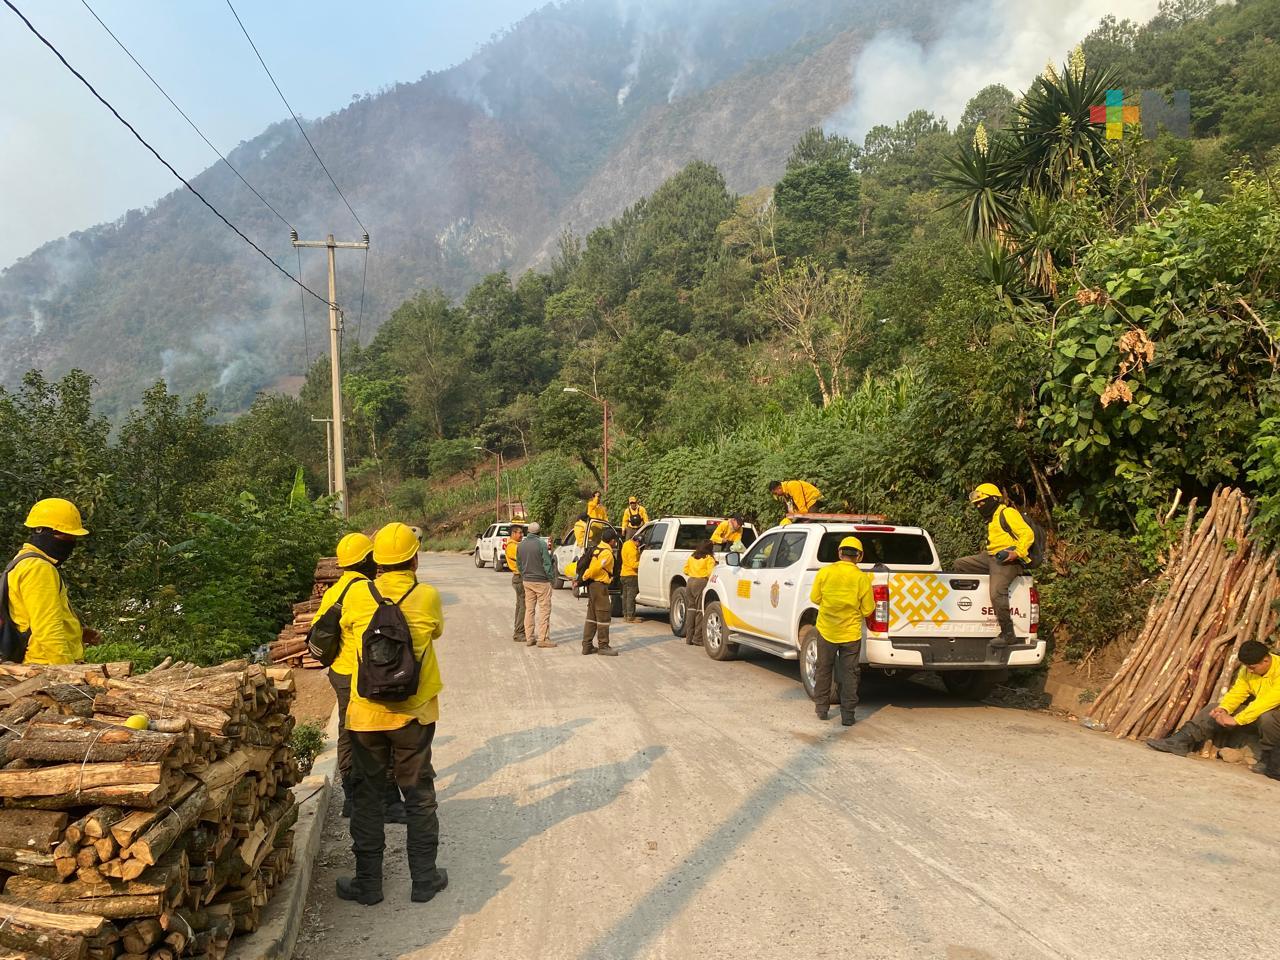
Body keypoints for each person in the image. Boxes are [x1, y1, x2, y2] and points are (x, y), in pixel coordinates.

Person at [337, 522, 449, 906]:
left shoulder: (356, 596)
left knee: (368, 798)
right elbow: (434, 634)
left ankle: (368, 885)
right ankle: (424, 880)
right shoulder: (427, 595)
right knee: (418, 795)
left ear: (378, 562)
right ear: (414, 559)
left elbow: (348, 643)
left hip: (365, 714)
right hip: (413, 714)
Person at [319, 532, 397, 821]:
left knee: (347, 731)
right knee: (384, 730)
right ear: (367, 560)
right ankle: (388, 798)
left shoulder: (333, 592)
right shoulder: (370, 591)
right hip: (368, 673)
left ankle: (351, 799)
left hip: (340, 672)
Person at [1147, 640, 1280, 780]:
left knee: (1268, 717)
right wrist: (1224, 709)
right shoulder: (1248, 670)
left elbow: (1265, 703)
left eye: (1252, 667)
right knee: (1213, 708)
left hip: (1271, 714)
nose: (1249, 671)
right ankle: (1180, 740)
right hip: (1258, 711)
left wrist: (1236, 720)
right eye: (1247, 667)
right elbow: (1238, 692)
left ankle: (1268, 759)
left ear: (1265, 660)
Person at [4, 498, 99, 665]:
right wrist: (68, 671)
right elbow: (47, 630)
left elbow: (32, 620)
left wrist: (78, 633)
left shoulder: (24, 561)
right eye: (67, 536)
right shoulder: (39, 568)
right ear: (44, 532)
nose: (71, 543)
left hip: (43, 664)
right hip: (46, 666)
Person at [952, 483, 1032, 647]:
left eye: (982, 502)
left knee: (996, 593)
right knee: (960, 564)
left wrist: (1016, 553)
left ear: (994, 499)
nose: (980, 506)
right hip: (991, 557)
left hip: (1007, 560)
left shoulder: (1007, 512)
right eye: (977, 504)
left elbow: (1027, 533)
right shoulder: (992, 518)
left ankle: (1008, 633)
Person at [810, 536, 873, 726]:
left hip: (826, 629)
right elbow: (868, 609)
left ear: (839, 553)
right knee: (850, 674)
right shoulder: (862, 578)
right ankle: (848, 715)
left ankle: (822, 708)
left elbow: (815, 598)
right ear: (859, 556)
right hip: (851, 634)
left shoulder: (825, 572)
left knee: (823, 669)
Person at [581, 530, 619, 657]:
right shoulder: (607, 553)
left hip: (592, 586)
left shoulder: (596, 549)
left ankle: (587, 646)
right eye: (615, 541)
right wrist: (584, 577)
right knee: (603, 615)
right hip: (599, 586)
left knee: (591, 616)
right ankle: (603, 645)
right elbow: (596, 567)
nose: (615, 543)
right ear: (612, 541)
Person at [518, 522, 556, 648]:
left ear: (528, 532)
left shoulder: (521, 545)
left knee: (529, 609)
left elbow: (519, 563)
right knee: (544, 610)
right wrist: (551, 578)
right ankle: (542, 638)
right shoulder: (541, 544)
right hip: (541, 581)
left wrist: (524, 574)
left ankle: (529, 637)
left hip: (527, 580)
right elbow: (547, 563)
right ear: (539, 532)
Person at [682, 541, 717, 647]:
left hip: (690, 582)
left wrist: (693, 572)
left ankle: (689, 638)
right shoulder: (709, 558)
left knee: (690, 609)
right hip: (701, 583)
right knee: (699, 611)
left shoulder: (692, 557)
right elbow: (711, 573)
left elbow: (685, 570)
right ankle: (697, 638)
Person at [506, 524, 526, 644]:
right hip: (519, 577)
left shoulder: (516, 545)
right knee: (523, 606)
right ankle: (519, 632)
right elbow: (522, 558)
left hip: (519, 577)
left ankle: (518, 630)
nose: (522, 535)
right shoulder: (512, 546)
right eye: (519, 533)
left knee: (520, 605)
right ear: (513, 534)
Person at [620, 528, 642, 623]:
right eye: (639, 543)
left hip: (623, 574)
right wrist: (642, 563)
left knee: (625, 596)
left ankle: (625, 615)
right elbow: (633, 564)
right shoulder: (633, 550)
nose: (639, 545)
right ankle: (631, 617)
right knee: (631, 597)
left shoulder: (626, 544)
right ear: (637, 541)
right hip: (631, 575)